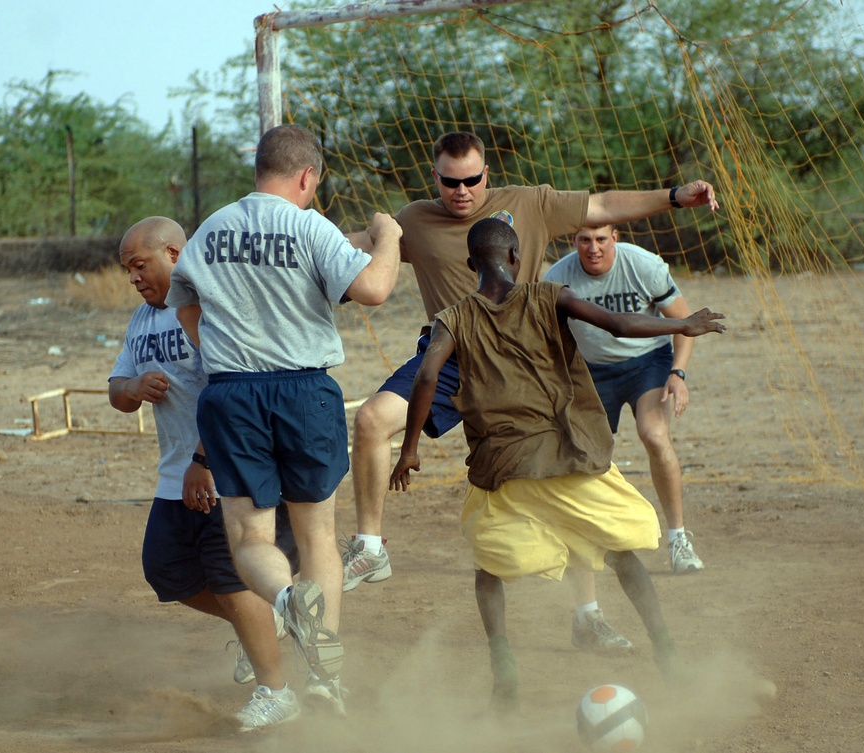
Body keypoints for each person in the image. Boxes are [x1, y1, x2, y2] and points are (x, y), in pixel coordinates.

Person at [343, 130, 719, 651]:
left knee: (561, 473)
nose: (461, 190)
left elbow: (606, 204)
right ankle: (369, 545)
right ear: (436, 179)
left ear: (486, 175)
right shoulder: (415, 223)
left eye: (472, 179)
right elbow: (351, 249)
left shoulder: (531, 208)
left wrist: (675, 197)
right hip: (452, 350)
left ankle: (584, 617)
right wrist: (360, 233)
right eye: (450, 182)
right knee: (368, 421)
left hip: (529, 361)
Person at [388, 218, 726, 711]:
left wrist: (410, 449)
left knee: (488, 566)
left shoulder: (452, 318)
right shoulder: (549, 295)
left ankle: (504, 670)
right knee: (620, 554)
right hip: (571, 455)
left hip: (503, 467)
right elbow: (618, 324)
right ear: (516, 260)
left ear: (469, 265)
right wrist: (681, 324)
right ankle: (669, 656)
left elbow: (424, 378)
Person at [165, 124, 403, 716]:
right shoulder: (308, 224)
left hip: (233, 393)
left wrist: (218, 345)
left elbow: (183, 300)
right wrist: (388, 236)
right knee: (318, 532)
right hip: (305, 391)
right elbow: (373, 287)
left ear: (258, 170)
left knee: (250, 537)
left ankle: (286, 598)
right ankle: (324, 677)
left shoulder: (213, 227)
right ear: (307, 177)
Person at [108, 216, 300, 732]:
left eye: (139, 265)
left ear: (174, 253)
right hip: (176, 476)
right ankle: (264, 622)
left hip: (226, 469)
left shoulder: (206, 308)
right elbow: (116, 391)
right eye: (128, 269)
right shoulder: (142, 319)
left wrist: (203, 461)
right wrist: (133, 389)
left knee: (231, 578)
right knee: (165, 569)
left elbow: (233, 391)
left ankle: (277, 693)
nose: (133, 278)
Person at [544, 225, 705, 574]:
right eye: (584, 240)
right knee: (586, 454)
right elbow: (548, 339)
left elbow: (685, 324)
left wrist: (677, 374)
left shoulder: (644, 266)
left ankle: (678, 539)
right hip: (591, 370)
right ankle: (589, 540)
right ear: (573, 241)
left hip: (647, 363)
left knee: (654, 434)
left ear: (615, 237)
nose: (593, 248)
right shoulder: (558, 277)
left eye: (601, 239)